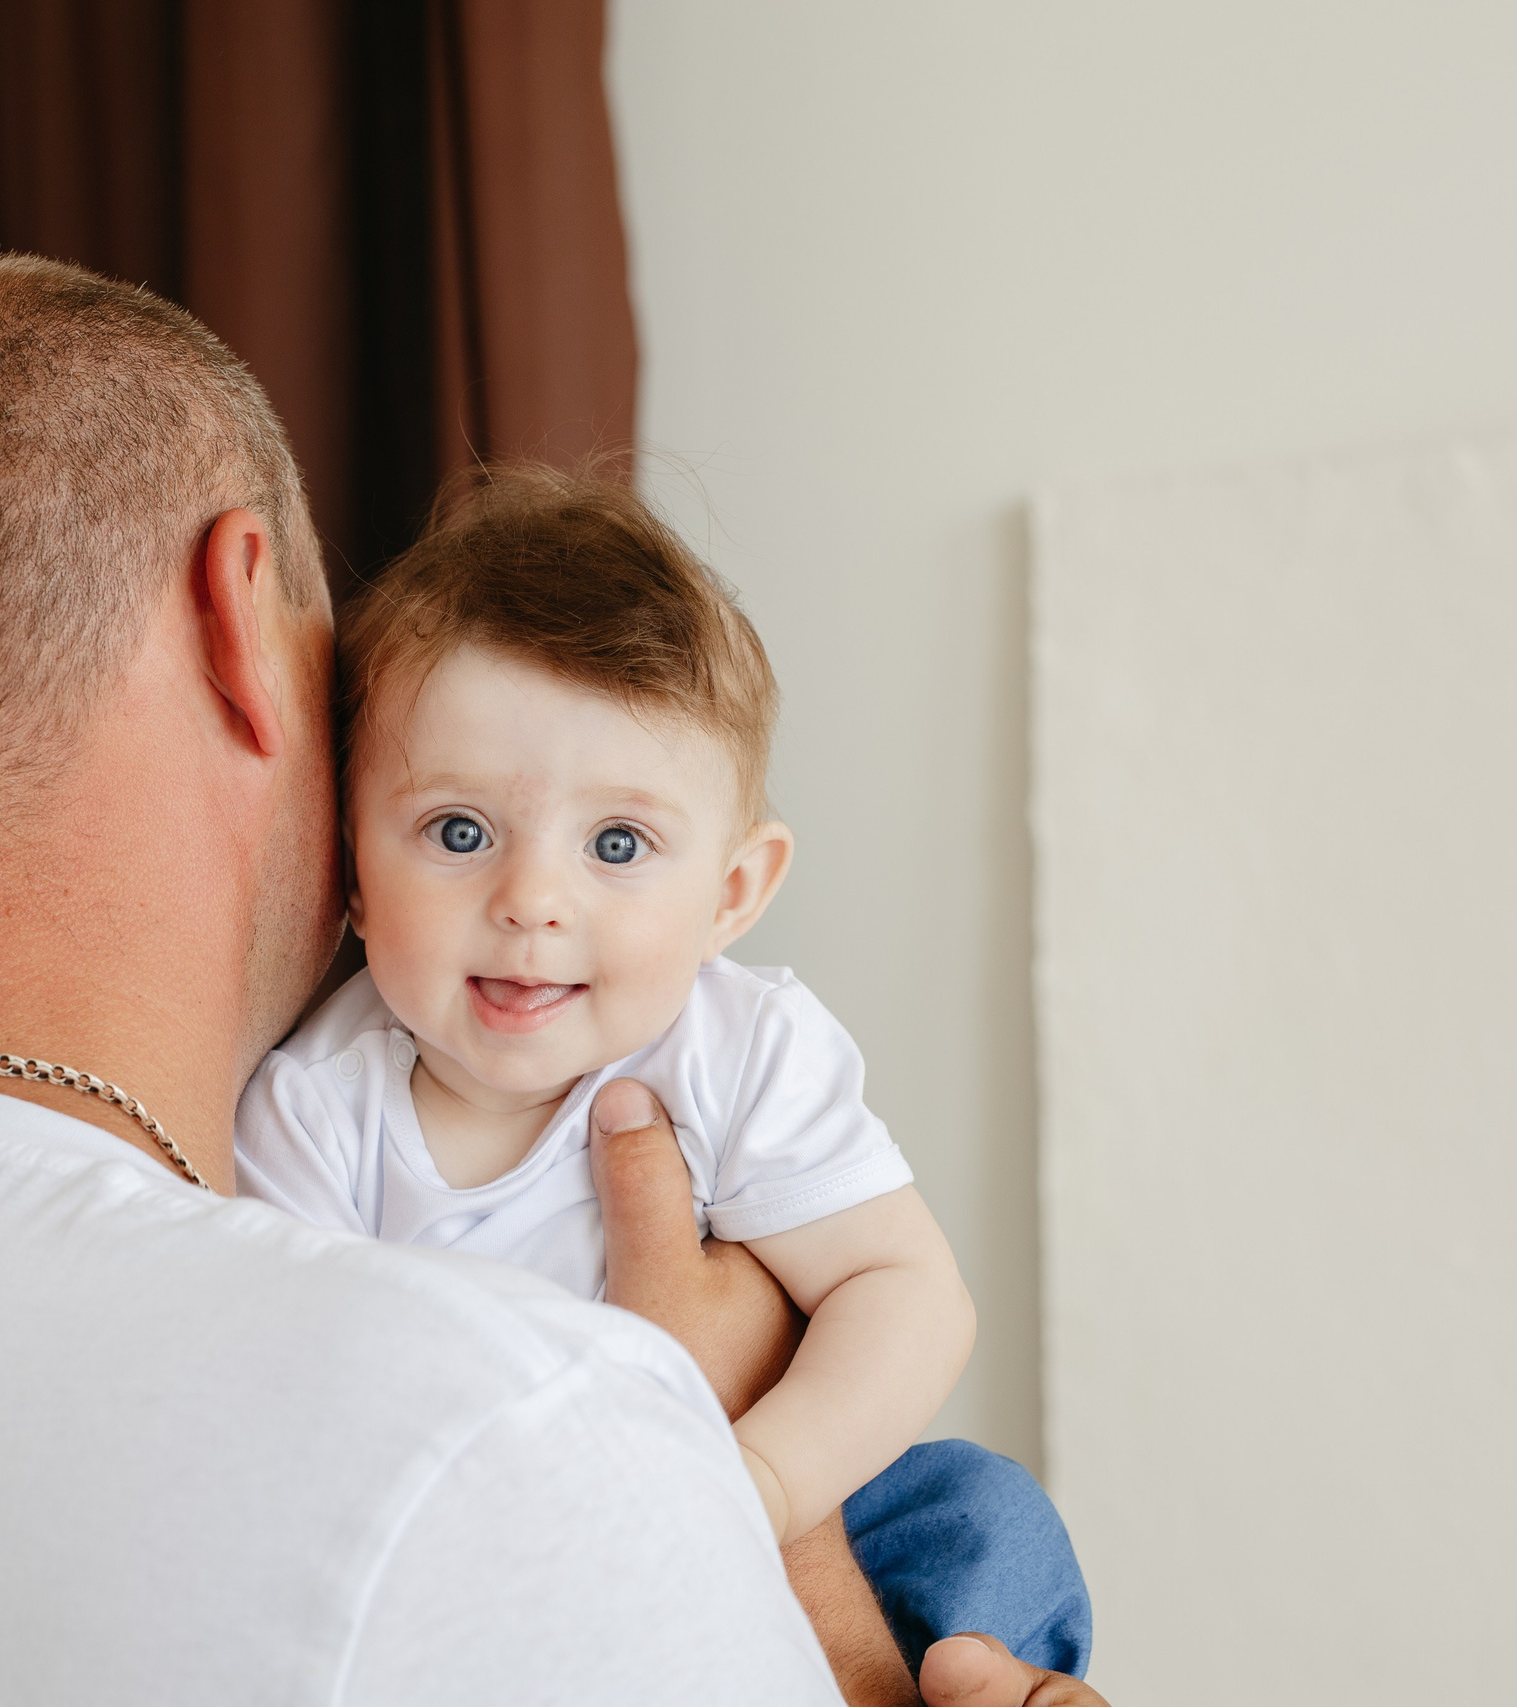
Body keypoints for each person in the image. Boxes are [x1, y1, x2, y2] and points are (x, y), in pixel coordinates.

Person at [0, 253, 1111, 1707]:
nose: (530, 901)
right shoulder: (490, 1424)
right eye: (460, 822)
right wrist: (787, 1522)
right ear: (236, 611)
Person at [236, 468, 1091, 1678]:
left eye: (618, 844)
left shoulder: (738, 1048)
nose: (532, 901)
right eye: (459, 831)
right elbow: (308, 1418)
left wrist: (752, 1484)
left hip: (769, 1494)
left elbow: (906, 1294)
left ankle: (968, 1686)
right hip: (499, 1549)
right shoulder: (315, 1115)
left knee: (981, 1513)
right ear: (351, 869)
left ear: (731, 894)